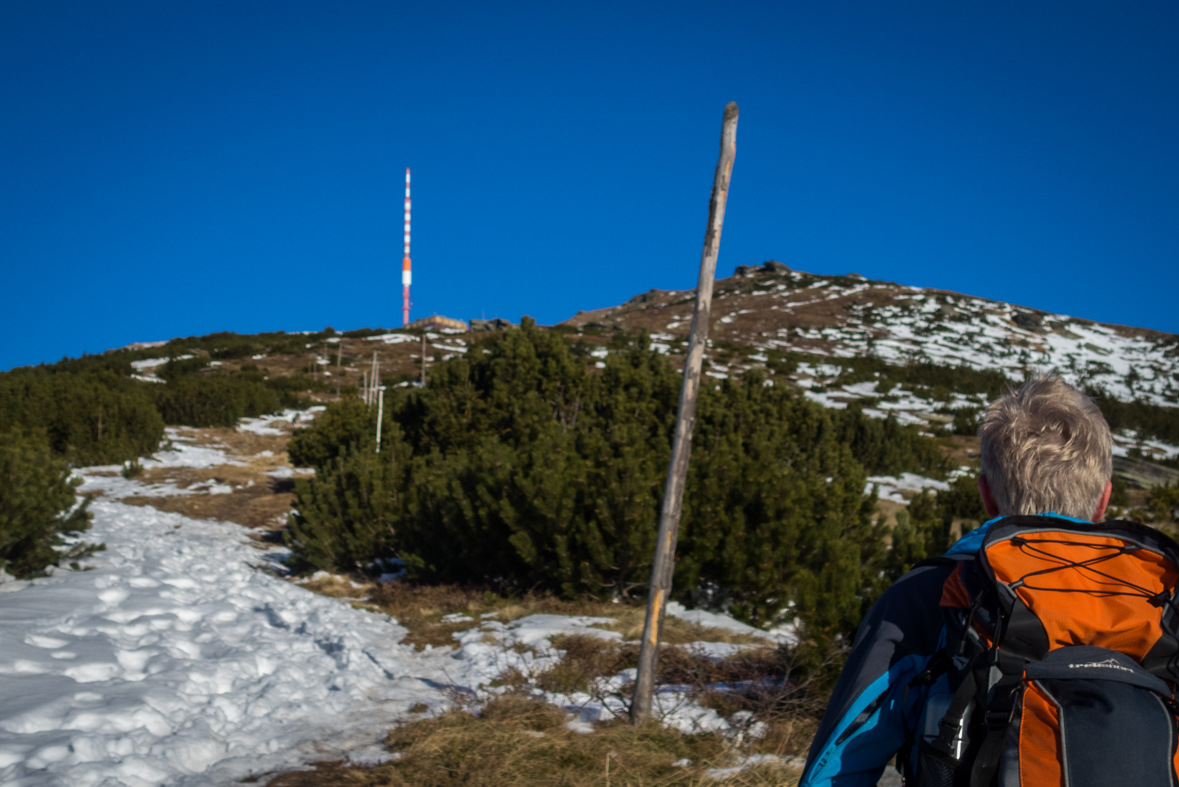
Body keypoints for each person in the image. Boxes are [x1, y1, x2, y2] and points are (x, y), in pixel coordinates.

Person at [799, 373, 1121, 787]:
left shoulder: (928, 596)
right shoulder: (1161, 607)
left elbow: (836, 767)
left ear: (986, 496)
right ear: (1103, 500)